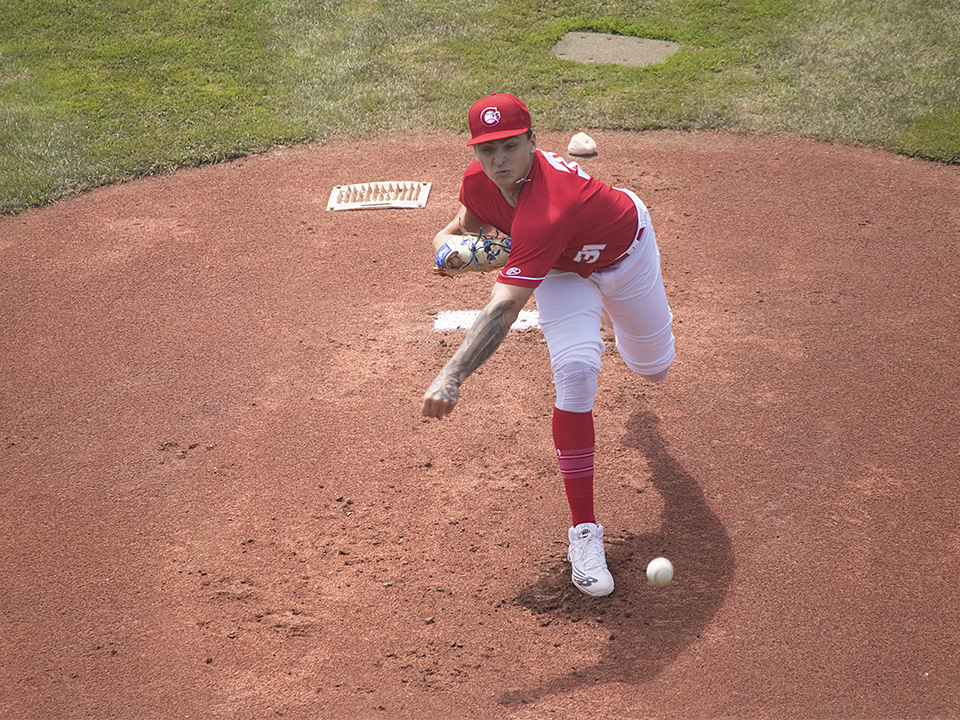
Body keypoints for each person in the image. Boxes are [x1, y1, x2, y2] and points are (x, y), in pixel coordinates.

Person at [421, 93, 675, 597]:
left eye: (510, 147)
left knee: (653, 368)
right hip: (563, 273)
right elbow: (456, 231)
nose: (498, 162)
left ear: (533, 143)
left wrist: (451, 375)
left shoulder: (548, 209)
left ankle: (629, 353)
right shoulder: (480, 180)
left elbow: (502, 309)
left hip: (626, 256)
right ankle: (584, 533)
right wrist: (449, 252)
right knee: (577, 372)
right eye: (486, 150)